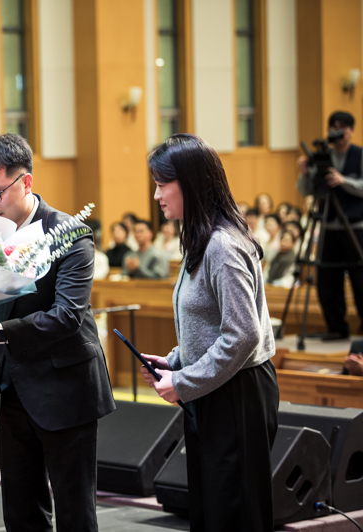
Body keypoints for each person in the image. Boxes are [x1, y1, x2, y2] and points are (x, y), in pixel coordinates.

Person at [0, 134, 115, 531]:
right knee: (21, 511)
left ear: (26, 182)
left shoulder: (69, 233)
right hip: (12, 382)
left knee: (75, 514)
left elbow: (67, 316)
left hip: (65, 384)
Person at [142, 133, 279, 532]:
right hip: (215, 387)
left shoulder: (222, 245)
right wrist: (176, 361)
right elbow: (211, 324)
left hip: (237, 392)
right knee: (210, 509)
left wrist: (184, 381)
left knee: (233, 514)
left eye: (162, 184)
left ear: (191, 183)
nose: (156, 195)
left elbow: (243, 335)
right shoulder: (200, 238)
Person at [298, 111, 363, 341]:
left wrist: (343, 181)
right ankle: (336, 327)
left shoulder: (359, 154)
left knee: (360, 278)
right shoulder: (321, 157)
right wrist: (305, 173)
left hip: (355, 227)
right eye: (334, 126)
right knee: (327, 280)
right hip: (328, 227)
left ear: (351, 130)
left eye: (343, 126)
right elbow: (306, 190)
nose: (338, 131)